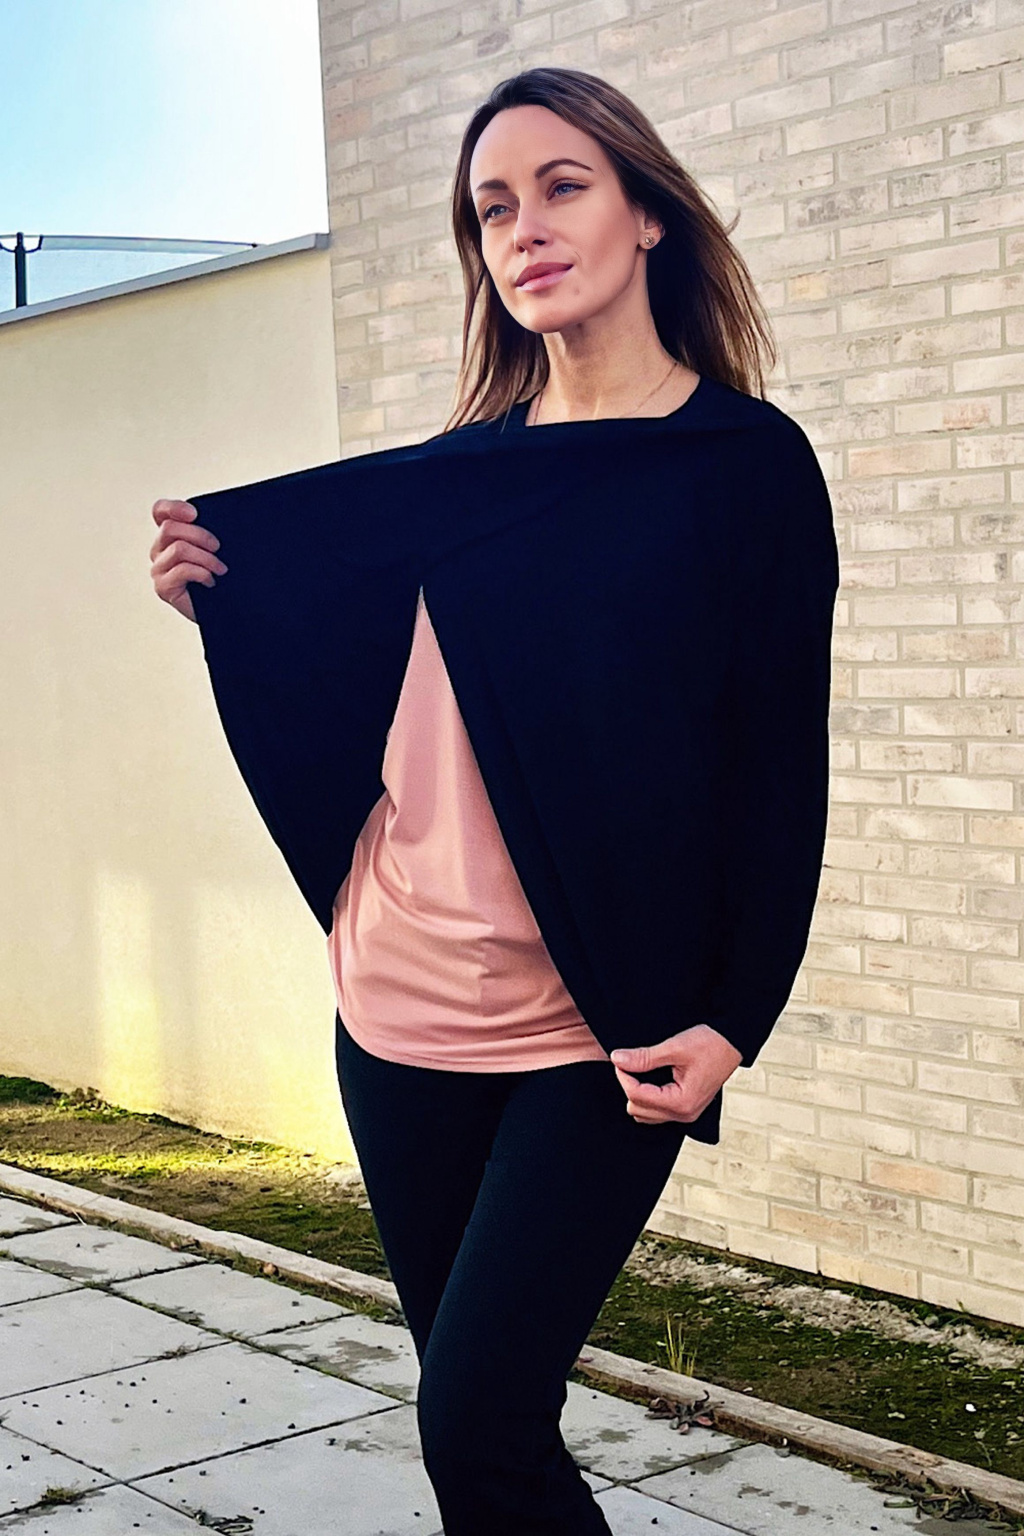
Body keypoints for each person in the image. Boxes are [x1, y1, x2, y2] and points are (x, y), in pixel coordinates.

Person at [149, 66, 836, 1536]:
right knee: (479, 1432)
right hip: (396, 1012)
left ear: (647, 213)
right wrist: (219, 595)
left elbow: (780, 768)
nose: (524, 227)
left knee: (476, 1421)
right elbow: (333, 679)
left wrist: (738, 1015)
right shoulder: (454, 485)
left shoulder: (746, 472)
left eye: (563, 186)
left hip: (602, 1032)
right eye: (492, 208)